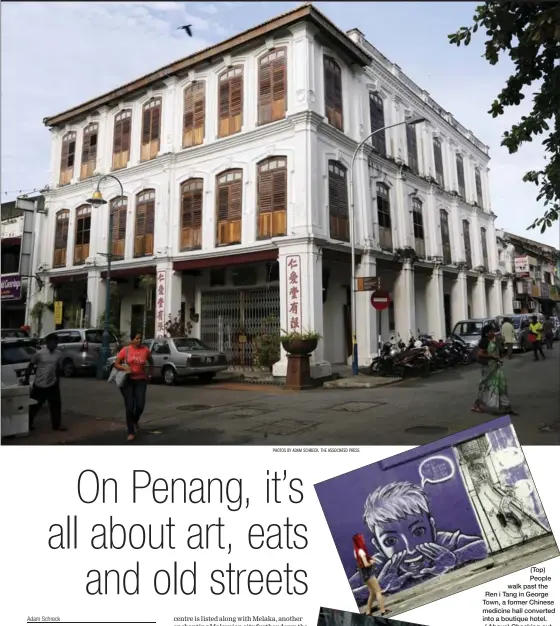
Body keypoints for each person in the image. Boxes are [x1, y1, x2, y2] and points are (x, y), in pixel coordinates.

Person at [360, 482, 487, 595]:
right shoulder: (379, 564)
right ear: (379, 547)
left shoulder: (443, 543)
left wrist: (455, 560)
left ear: (432, 528)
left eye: (419, 532)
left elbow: (484, 546)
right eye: (391, 541)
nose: (410, 550)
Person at [114, 333, 154, 441]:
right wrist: (124, 367)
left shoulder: (145, 350)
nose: (139, 340)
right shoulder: (125, 350)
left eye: (140, 338)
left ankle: (134, 420)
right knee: (130, 406)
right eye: (136, 338)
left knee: (140, 405)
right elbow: (116, 363)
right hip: (127, 381)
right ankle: (130, 431)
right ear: (132, 340)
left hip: (141, 380)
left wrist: (150, 373)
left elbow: (151, 361)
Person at [471, 324, 518, 415]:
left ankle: (507, 407)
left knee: (502, 386)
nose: (493, 333)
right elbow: (480, 354)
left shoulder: (495, 340)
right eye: (490, 331)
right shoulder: (484, 341)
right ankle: (476, 405)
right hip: (488, 368)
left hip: (496, 366)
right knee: (485, 386)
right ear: (486, 333)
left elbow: (499, 351)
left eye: (493, 331)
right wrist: (492, 356)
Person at [25, 333, 67, 432]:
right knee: (34, 405)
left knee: (56, 405)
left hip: (53, 383)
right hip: (40, 384)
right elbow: (31, 366)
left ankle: (56, 425)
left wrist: (58, 379)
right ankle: (28, 424)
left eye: (56, 343)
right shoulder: (39, 353)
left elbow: (57, 367)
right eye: (53, 342)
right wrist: (26, 379)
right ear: (48, 342)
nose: (55, 345)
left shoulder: (58, 354)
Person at [352, 533, 389, 616]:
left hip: (363, 575)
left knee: (372, 592)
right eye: (362, 538)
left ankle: (368, 612)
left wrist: (368, 559)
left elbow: (360, 563)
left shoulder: (356, 551)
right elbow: (366, 564)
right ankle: (383, 610)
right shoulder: (361, 551)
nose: (364, 539)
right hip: (369, 574)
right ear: (359, 541)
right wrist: (371, 562)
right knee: (378, 591)